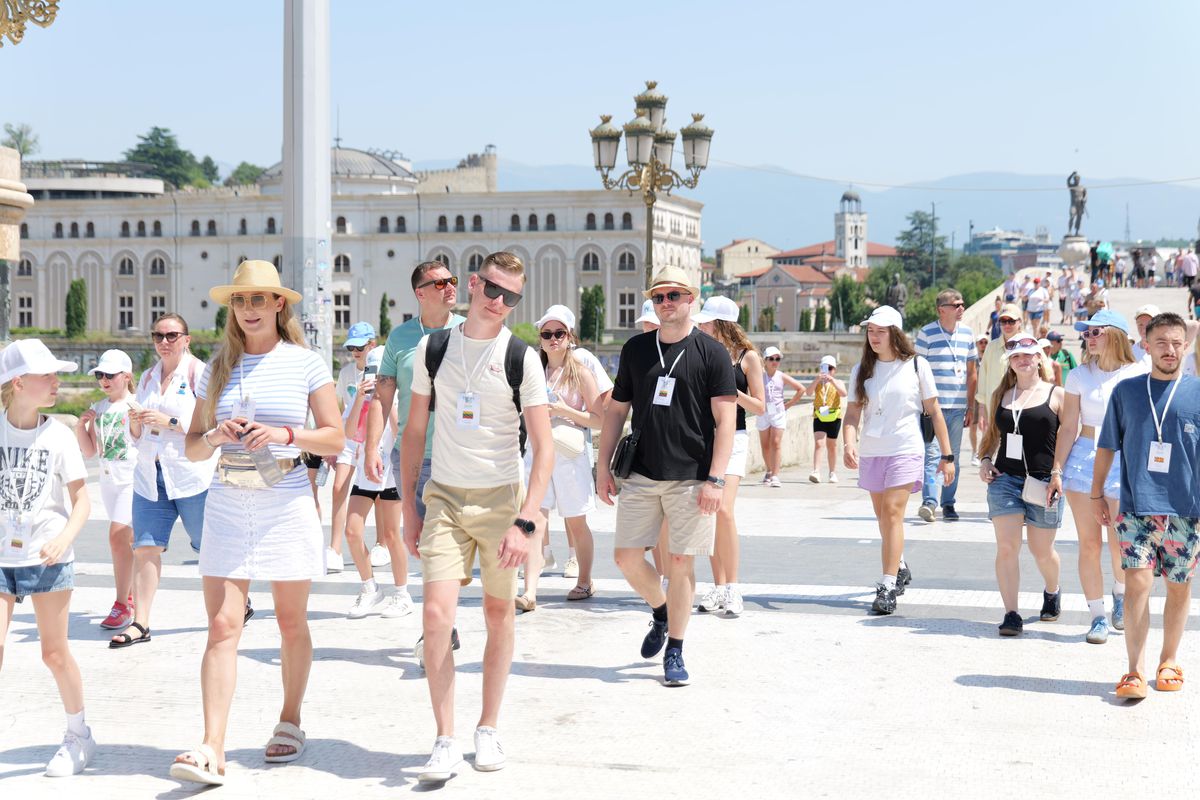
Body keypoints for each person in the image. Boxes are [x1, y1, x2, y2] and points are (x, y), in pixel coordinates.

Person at [168, 260, 344, 786]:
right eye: (241, 301)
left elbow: (335, 438)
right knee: (223, 625)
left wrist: (284, 435)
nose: (248, 309)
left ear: (278, 305)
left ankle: (290, 719)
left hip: (286, 500)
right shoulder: (217, 366)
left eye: (259, 300)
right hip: (226, 500)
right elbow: (193, 449)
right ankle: (211, 747)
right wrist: (217, 436)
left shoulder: (305, 363)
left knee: (291, 623)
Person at [400, 251, 553, 781]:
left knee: (497, 614)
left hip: (501, 501)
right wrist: (408, 509)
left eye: (510, 296)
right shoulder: (433, 348)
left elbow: (543, 446)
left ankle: (487, 727)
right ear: (472, 283)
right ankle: (444, 738)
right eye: (491, 289)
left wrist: (526, 520)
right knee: (436, 616)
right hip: (443, 495)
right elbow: (414, 433)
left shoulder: (522, 357)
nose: (498, 302)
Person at [597, 265, 736, 686]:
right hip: (640, 472)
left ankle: (675, 648)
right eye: (658, 297)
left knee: (680, 561)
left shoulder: (711, 353)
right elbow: (616, 410)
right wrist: (602, 466)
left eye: (673, 296)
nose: (665, 303)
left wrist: (715, 479)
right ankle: (659, 609)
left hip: (692, 475)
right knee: (625, 557)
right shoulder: (637, 349)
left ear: (691, 298)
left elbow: (726, 420)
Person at [0, 340, 96, 777]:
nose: (57, 382)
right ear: (19, 382)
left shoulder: (59, 434)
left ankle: (79, 734)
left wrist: (63, 539)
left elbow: (82, 502)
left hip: (47, 557)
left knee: (54, 654)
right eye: (48, 375)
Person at [1094, 313, 1200, 699]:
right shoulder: (1126, 392)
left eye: (1176, 343)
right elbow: (1106, 446)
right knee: (1137, 583)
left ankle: (1168, 660)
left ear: (1185, 347)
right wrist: (1095, 496)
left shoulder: (1197, 392)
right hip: (1136, 504)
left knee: (1178, 586)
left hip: (1186, 508)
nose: (1169, 350)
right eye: (1161, 343)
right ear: (1147, 346)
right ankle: (1134, 671)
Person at [364, 261, 467, 659]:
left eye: (452, 281)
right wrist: (373, 446)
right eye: (439, 283)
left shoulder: (467, 330)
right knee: (426, 543)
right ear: (420, 292)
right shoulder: (402, 337)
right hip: (416, 456)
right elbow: (383, 395)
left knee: (449, 546)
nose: (449, 287)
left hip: (462, 454)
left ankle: (441, 624)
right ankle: (442, 627)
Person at [115, 313, 220, 649]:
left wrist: (168, 420)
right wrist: (136, 422)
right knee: (145, 547)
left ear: (186, 339)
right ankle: (140, 622)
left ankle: (236, 604)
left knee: (210, 547)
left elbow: (210, 423)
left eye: (172, 335)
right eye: (158, 336)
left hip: (191, 474)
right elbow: (137, 434)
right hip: (150, 475)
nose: (164, 342)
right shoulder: (146, 377)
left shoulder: (200, 373)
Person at [843, 306, 954, 615]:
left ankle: (887, 585)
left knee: (893, 513)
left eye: (881, 331)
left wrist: (948, 456)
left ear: (895, 333)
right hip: (872, 450)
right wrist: (848, 443)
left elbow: (934, 411)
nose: (874, 336)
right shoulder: (862, 370)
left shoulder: (917, 366)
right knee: (883, 519)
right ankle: (900, 564)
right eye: (870, 331)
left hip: (906, 447)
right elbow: (852, 414)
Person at [1051, 309, 1147, 646]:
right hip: (1084, 458)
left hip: (1125, 458)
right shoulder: (1078, 376)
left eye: (1096, 332)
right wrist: (1056, 470)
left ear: (1117, 335)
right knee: (1089, 543)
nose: (1089, 338)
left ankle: (1120, 594)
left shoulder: (1140, 371)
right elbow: (1068, 426)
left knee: (1120, 542)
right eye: (1086, 333)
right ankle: (1097, 616)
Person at [515, 304, 603, 611]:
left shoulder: (581, 372)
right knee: (534, 519)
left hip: (568, 452)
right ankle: (530, 591)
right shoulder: (533, 371)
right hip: (537, 450)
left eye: (559, 333)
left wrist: (564, 411)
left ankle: (585, 579)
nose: (553, 339)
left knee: (576, 520)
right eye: (547, 334)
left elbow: (600, 419)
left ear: (570, 336)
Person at [977, 334, 1064, 636]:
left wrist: (1058, 473)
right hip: (1005, 480)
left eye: (1029, 355)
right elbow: (991, 437)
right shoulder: (1001, 395)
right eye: (1017, 357)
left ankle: (1052, 590)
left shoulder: (1057, 395)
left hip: (1044, 482)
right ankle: (1011, 613)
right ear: (1010, 363)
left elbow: (1068, 442)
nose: (1023, 360)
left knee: (1042, 552)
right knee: (1007, 547)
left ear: (1040, 358)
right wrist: (986, 460)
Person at [693, 295, 765, 617]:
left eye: (706, 322)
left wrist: (731, 392)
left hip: (734, 437)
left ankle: (734, 587)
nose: (701, 326)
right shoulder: (702, 353)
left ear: (721, 324)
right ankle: (718, 586)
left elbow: (761, 406)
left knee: (724, 509)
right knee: (708, 513)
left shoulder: (747, 358)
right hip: (704, 438)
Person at [342, 348, 413, 619]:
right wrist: (361, 399)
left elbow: (400, 433)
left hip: (390, 473)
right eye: (370, 372)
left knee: (393, 536)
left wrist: (388, 402)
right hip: (365, 473)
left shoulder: (398, 399)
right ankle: (369, 588)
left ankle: (402, 594)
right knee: (352, 530)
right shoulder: (360, 396)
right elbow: (348, 433)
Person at [75, 349, 138, 631]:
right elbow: (90, 452)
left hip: (132, 480)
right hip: (109, 481)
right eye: (100, 375)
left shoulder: (136, 406)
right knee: (126, 543)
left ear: (126, 376)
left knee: (116, 538)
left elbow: (143, 441)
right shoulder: (98, 407)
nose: (104, 380)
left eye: (110, 375)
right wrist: (81, 425)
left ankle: (122, 604)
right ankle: (132, 595)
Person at [915, 289, 977, 522]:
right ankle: (929, 502)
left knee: (953, 458)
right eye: (956, 304)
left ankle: (948, 502)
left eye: (963, 304)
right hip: (933, 409)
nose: (962, 308)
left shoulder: (968, 334)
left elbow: (972, 373)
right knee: (932, 456)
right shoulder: (926, 334)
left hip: (958, 407)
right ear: (942, 310)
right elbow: (917, 372)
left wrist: (971, 407)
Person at [325, 321, 380, 574]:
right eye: (351, 347)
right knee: (338, 488)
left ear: (372, 344)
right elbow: (339, 408)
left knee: (377, 492)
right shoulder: (347, 373)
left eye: (360, 346)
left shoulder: (382, 371)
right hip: (349, 437)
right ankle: (334, 549)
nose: (355, 352)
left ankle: (381, 543)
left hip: (374, 438)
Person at [756, 346, 804, 487]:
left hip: (778, 412)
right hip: (763, 412)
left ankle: (776, 475)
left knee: (775, 443)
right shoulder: (759, 376)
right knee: (765, 445)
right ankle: (769, 470)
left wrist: (788, 405)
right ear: (765, 361)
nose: (775, 361)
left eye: (777, 359)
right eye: (771, 359)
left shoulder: (781, 376)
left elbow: (801, 389)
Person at [976, 302, 1026, 431]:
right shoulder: (991, 347)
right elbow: (983, 379)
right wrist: (982, 409)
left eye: (1011, 321)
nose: (1007, 325)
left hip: (1022, 410)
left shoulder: (1029, 344)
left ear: (1020, 322)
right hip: (994, 411)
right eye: (1003, 321)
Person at [802, 355, 846, 484]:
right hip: (819, 416)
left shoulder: (838, 382)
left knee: (832, 445)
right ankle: (816, 471)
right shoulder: (817, 383)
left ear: (834, 370)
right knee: (819, 443)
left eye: (831, 368)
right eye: (826, 368)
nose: (828, 371)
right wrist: (816, 380)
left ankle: (832, 472)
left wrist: (832, 381)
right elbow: (808, 393)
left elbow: (844, 393)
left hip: (834, 416)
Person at [970, 334, 990, 465]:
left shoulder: (990, 359)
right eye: (981, 342)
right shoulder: (973, 361)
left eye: (985, 342)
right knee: (973, 426)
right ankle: (974, 451)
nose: (983, 344)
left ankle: (982, 452)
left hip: (987, 397)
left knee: (986, 426)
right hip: (974, 397)